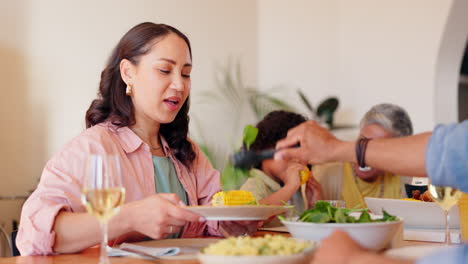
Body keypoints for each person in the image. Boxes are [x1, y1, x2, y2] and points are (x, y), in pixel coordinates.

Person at [16, 22, 254, 256]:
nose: (180, 85)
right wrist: (129, 217)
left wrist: (257, 209)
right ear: (128, 73)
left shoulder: (185, 150)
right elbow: (32, 235)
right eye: (164, 70)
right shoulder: (93, 147)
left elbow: (216, 223)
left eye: (186, 74)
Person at [274, 119, 468, 264]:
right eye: (363, 141)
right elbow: (447, 150)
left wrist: (353, 259)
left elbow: (446, 152)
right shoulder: (329, 172)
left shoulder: (409, 178)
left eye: (379, 145)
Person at [313, 103, 414, 209]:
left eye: (378, 147)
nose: (364, 154)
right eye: (363, 141)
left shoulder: (408, 178)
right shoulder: (326, 172)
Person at [240, 111, 322, 216]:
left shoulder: (296, 190)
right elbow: (248, 217)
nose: (298, 161)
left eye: (303, 155)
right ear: (264, 150)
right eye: (290, 151)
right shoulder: (255, 183)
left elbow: (298, 223)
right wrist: (289, 187)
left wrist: (313, 206)